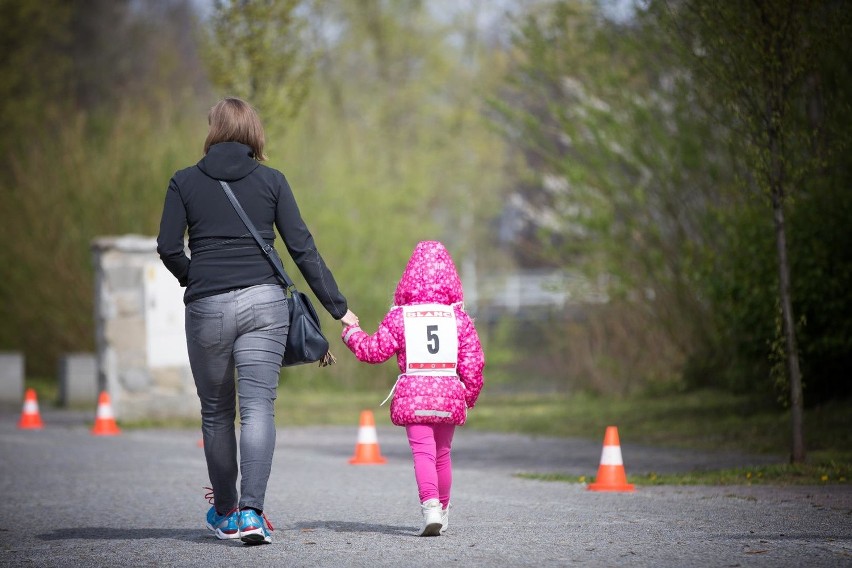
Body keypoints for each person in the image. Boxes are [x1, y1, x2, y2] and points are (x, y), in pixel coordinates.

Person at [157, 97, 358, 545]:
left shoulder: (184, 181)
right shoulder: (272, 181)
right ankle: (251, 514)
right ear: (254, 133)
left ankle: (226, 513)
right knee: (257, 410)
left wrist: (200, 276)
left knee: (216, 413)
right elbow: (302, 248)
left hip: (206, 307)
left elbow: (169, 247)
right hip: (266, 306)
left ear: (212, 130)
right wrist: (338, 308)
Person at [341, 240, 484, 536]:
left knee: (424, 454)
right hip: (449, 395)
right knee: (443, 453)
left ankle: (430, 507)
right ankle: (443, 512)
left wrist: (351, 334)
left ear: (408, 277)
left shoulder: (400, 317)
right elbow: (473, 362)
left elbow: (374, 351)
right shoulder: (459, 320)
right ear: (451, 278)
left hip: (414, 397)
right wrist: (468, 395)